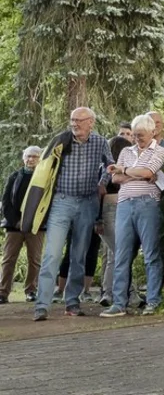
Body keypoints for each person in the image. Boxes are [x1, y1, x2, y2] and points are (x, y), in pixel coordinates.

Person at [32, 107, 113, 321]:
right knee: (52, 253)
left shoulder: (100, 142)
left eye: (79, 120)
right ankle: (42, 305)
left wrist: (102, 182)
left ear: (91, 123)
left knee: (79, 254)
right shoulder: (61, 140)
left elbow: (110, 165)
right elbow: (44, 166)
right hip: (62, 201)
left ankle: (72, 302)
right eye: (72, 120)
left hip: (88, 202)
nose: (74, 124)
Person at [101, 115, 164, 316]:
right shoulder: (125, 151)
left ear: (152, 133)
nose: (137, 138)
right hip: (124, 204)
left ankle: (153, 301)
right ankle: (119, 303)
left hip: (148, 202)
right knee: (121, 254)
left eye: (141, 135)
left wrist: (125, 171)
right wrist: (133, 173)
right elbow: (115, 177)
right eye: (135, 135)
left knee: (150, 253)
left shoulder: (159, 150)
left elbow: (148, 172)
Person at [0, 146, 42, 304]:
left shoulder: (42, 178)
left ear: (39, 159)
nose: (31, 159)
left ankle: (31, 291)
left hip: (35, 226)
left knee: (35, 259)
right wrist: (15, 221)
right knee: (8, 259)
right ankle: (3, 292)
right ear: (23, 158)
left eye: (34, 157)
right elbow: (5, 201)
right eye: (28, 156)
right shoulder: (14, 176)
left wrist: (32, 222)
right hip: (13, 226)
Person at [96, 132, 131, 306]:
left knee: (113, 254)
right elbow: (100, 191)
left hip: (107, 209)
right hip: (115, 206)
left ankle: (108, 292)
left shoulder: (102, 168)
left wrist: (97, 219)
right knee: (122, 252)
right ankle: (129, 292)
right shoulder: (114, 169)